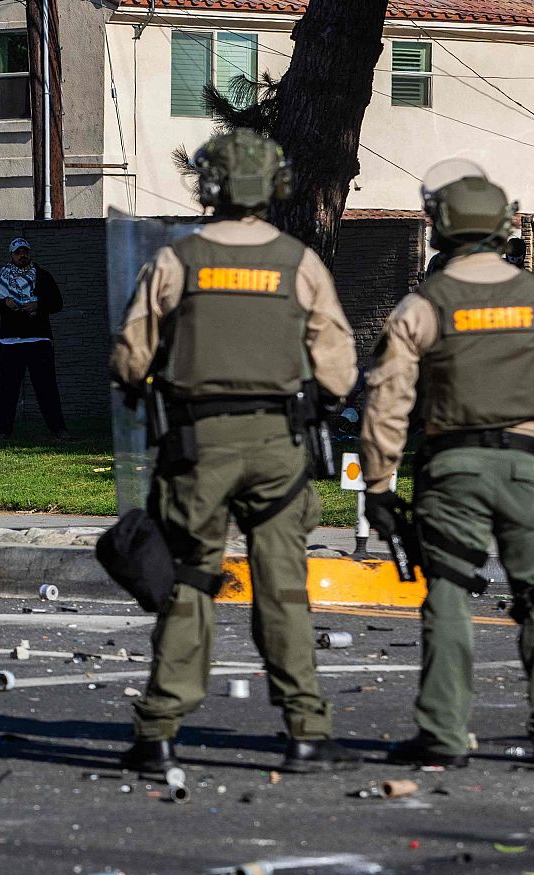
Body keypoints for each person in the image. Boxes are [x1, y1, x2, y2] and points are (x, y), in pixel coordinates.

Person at [109, 129, 360, 776]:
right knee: (284, 588)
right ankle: (306, 731)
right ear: (274, 186)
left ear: (210, 185)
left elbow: (131, 357)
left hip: (198, 448)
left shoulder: (176, 261)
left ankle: (159, 731)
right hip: (280, 450)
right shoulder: (300, 262)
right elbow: (337, 371)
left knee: (190, 582)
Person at [361, 162, 534, 770]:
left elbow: (388, 401)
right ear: (504, 224)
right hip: (525, 465)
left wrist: (380, 484)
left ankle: (442, 734)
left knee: (447, 594)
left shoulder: (424, 304)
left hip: (452, 466)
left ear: (439, 226)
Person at [0, 237, 70, 440]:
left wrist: (38, 304)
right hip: (10, 342)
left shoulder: (42, 276)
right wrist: (5, 302)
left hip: (38, 340)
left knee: (47, 387)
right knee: (7, 390)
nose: (22, 255)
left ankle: (59, 430)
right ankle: (3, 431)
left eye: (25, 251)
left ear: (29, 254)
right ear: (11, 256)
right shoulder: (1, 278)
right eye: (17, 252)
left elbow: (57, 303)